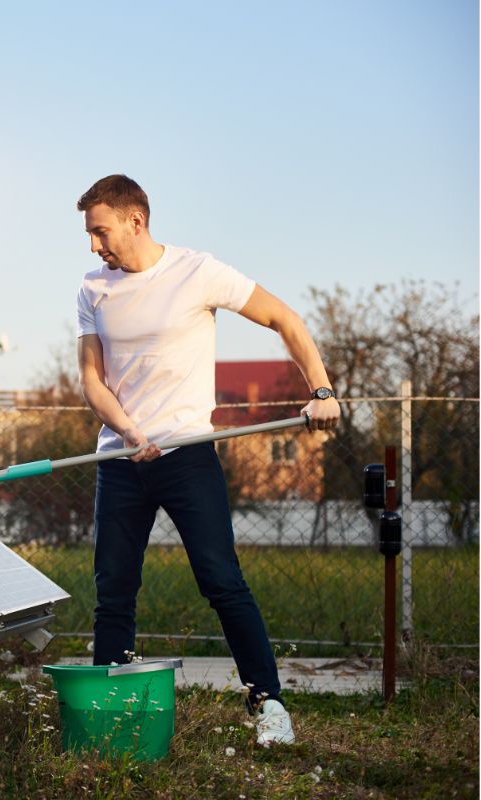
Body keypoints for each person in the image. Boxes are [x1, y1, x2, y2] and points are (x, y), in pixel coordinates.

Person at [74, 174, 340, 746]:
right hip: (121, 459)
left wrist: (320, 390)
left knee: (221, 580)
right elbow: (92, 380)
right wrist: (127, 429)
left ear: (134, 220)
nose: (95, 246)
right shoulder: (93, 288)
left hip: (188, 455)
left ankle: (268, 704)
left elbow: (284, 320)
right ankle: (110, 711)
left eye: (100, 231)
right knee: (113, 588)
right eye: (91, 236)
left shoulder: (198, 272)